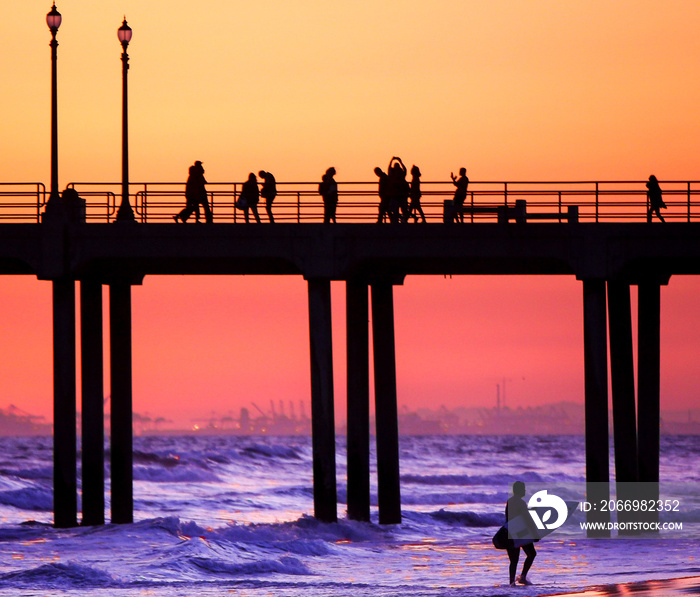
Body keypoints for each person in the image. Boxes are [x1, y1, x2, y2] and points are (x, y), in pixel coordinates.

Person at [505, 481, 539, 587]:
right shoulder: (521, 502)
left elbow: (508, 519)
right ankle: (523, 577)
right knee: (532, 554)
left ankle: (511, 583)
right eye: (523, 489)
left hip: (510, 532)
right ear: (519, 490)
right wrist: (534, 534)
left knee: (513, 560)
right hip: (522, 533)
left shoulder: (509, 502)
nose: (524, 490)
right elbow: (527, 519)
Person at [388, 157, 409, 223]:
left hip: (396, 195)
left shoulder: (393, 177)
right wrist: (400, 162)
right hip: (401, 194)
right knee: (402, 209)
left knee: (397, 209)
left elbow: (389, 169)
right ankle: (403, 219)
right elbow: (405, 169)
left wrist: (391, 161)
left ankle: (397, 220)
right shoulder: (402, 175)